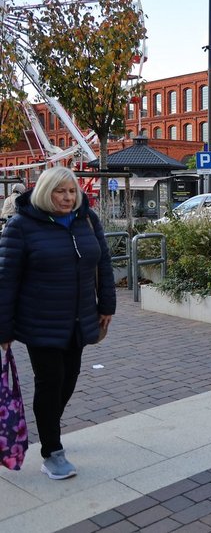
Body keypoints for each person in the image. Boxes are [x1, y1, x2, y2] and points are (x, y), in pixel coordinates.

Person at [0, 167, 116, 480]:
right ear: (44, 192)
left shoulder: (87, 221)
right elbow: (6, 280)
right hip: (40, 321)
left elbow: (103, 263)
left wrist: (106, 305)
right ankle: (52, 451)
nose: (67, 198)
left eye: (71, 191)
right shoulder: (21, 226)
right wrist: (4, 328)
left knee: (69, 378)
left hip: (79, 318)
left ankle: (49, 426)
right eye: (59, 191)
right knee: (50, 382)